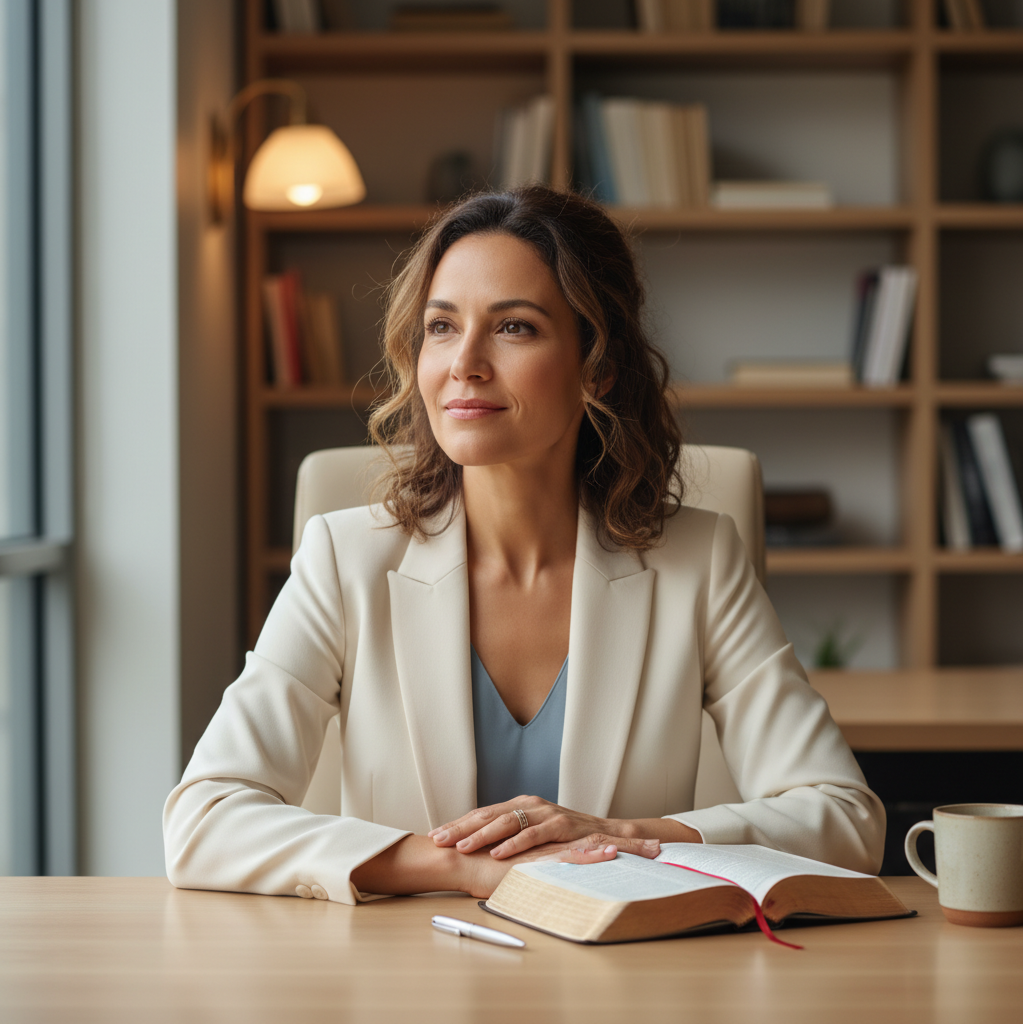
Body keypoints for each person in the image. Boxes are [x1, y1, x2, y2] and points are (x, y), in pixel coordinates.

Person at [163, 186, 885, 906]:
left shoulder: (698, 563)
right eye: (441, 327)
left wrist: (621, 836)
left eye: (514, 328)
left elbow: (846, 820)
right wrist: (456, 867)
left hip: (624, 983)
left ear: (596, 367)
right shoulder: (344, 560)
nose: (465, 363)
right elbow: (203, 820)